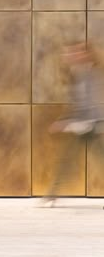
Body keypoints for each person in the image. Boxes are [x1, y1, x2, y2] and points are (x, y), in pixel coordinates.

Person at [40, 42, 104, 207]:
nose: (68, 56)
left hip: (94, 126)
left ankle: (51, 195)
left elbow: (93, 104)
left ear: (85, 54)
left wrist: (68, 122)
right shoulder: (79, 74)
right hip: (83, 126)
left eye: (73, 53)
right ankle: (51, 195)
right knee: (66, 161)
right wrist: (65, 121)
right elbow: (77, 104)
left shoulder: (94, 74)